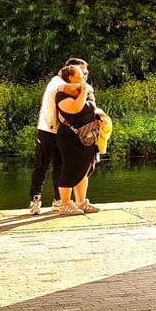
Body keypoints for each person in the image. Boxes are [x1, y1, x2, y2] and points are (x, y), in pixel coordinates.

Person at [29, 59, 87, 213]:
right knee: (41, 165)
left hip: (61, 132)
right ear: (70, 72)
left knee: (60, 166)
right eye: (81, 72)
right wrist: (85, 88)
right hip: (47, 129)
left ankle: (58, 200)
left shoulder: (72, 83)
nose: (84, 75)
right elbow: (66, 89)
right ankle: (35, 200)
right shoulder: (57, 81)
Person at [53, 63, 102, 214]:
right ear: (71, 77)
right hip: (70, 137)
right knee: (70, 168)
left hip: (88, 136)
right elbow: (76, 108)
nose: (83, 77)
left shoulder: (83, 89)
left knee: (84, 168)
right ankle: (65, 204)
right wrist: (84, 90)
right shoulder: (62, 94)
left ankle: (81, 201)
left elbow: (90, 103)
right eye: (80, 75)